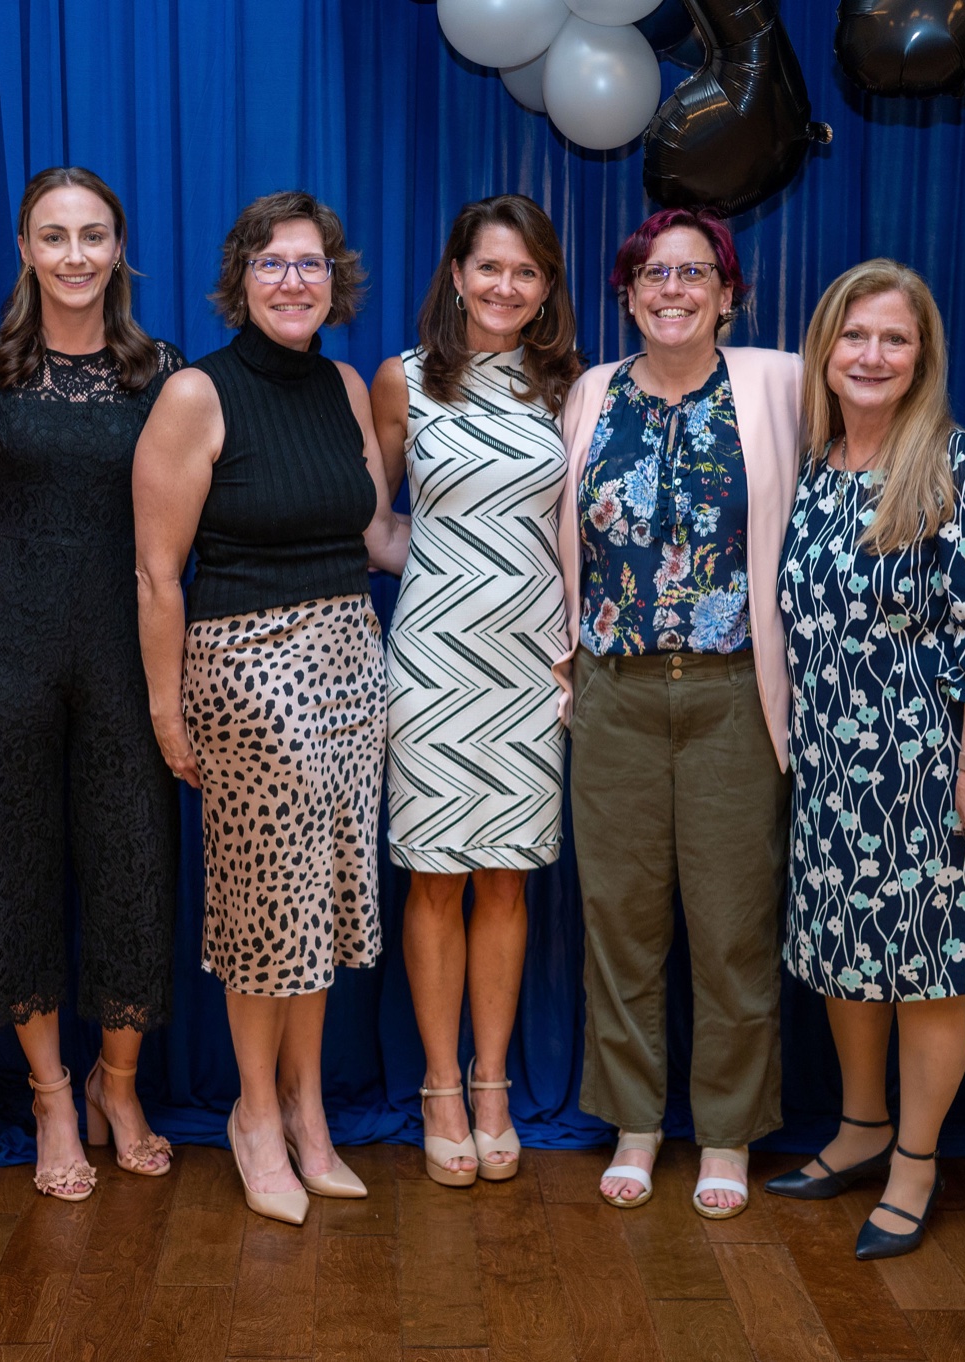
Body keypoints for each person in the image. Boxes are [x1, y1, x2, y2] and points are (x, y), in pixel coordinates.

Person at [134, 191, 404, 1224]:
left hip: (348, 659)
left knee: (324, 902)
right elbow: (157, 575)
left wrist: (501, 554)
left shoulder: (341, 385)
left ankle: (306, 1109)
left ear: (333, 281)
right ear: (238, 277)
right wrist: (167, 714)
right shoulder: (196, 394)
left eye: (310, 264)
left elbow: (376, 538)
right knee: (265, 909)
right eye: (271, 262)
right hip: (245, 665)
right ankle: (252, 1114)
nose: (293, 280)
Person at [761, 260, 965, 1260]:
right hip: (832, 767)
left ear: (922, 359)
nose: (870, 355)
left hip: (931, 770)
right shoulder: (814, 472)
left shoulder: (963, 469)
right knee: (843, 960)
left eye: (893, 339)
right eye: (853, 336)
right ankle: (859, 1128)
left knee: (928, 969)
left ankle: (915, 1161)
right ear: (824, 350)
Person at [0, 167, 183, 1202]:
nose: (75, 254)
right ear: (26, 249)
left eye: (93, 235)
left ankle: (114, 1086)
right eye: (54, 235)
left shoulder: (161, 372)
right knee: (15, 869)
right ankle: (48, 1097)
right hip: (6, 651)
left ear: (119, 249)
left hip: (127, 652)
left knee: (135, 866)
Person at [558, 208, 802, 1220]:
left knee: (731, 925)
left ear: (727, 293)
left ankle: (725, 1132)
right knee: (617, 919)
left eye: (693, 273)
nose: (673, 289)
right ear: (626, 293)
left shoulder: (776, 385)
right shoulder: (586, 394)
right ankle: (633, 1122)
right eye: (654, 273)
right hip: (612, 690)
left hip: (733, 692)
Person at [371, 195, 582, 1186]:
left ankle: (492, 1083)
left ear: (545, 292)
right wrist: (445, 574)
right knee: (435, 876)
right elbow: (374, 524)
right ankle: (438, 1089)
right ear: (455, 273)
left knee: (504, 878)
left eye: (526, 273)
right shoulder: (402, 381)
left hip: (529, 667)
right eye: (488, 267)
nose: (505, 286)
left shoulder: (571, 391)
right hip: (433, 663)